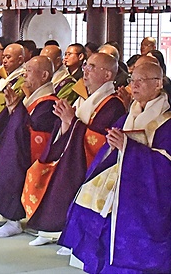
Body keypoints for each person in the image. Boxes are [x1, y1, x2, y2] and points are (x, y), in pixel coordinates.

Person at [59, 61, 171, 273]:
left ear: (158, 84)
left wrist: (129, 149)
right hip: (117, 185)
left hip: (146, 197)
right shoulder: (127, 116)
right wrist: (115, 146)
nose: (134, 85)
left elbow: (165, 165)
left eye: (141, 80)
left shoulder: (167, 123)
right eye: (132, 80)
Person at [23, 53, 125, 246]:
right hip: (72, 155)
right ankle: (50, 228)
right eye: (86, 66)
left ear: (107, 75)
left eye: (92, 67)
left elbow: (101, 141)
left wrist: (72, 122)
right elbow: (73, 128)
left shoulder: (113, 104)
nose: (85, 70)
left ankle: (60, 232)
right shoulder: (85, 99)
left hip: (91, 165)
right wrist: (65, 122)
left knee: (65, 180)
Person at [0, 56, 58, 237]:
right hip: (19, 147)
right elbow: (19, 124)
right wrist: (12, 109)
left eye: (30, 71)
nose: (25, 75)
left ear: (44, 75)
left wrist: (17, 110)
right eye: (25, 70)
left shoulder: (49, 102)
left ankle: (14, 219)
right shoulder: (33, 97)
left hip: (33, 154)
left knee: (10, 165)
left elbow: (36, 130)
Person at [0, 43, 26, 144]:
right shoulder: (2, 77)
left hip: (9, 125)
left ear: (20, 59)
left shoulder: (24, 79)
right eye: (3, 57)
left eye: (8, 57)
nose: (4, 61)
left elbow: (18, 100)